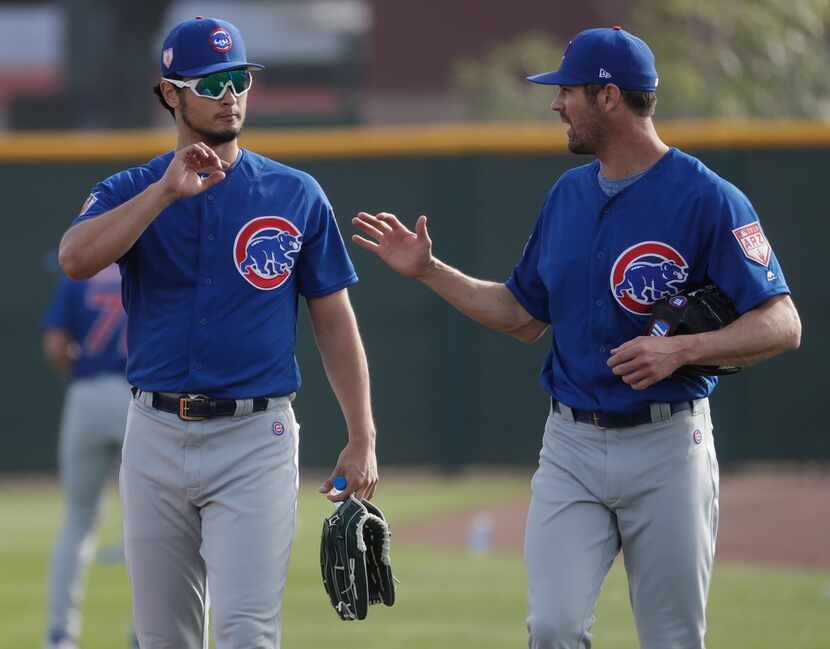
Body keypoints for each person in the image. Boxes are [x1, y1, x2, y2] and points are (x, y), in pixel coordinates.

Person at [352, 26, 801, 649]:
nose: (556, 104)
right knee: (554, 628)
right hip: (572, 447)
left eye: (567, 91)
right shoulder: (567, 195)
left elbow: (783, 323)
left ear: (608, 96)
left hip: (668, 443)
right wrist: (429, 270)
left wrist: (684, 348)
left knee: (673, 637)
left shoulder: (708, 198)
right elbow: (518, 313)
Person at [57, 16, 378, 649]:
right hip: (154, 431)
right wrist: (162, 195)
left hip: (255, 436)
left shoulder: (295, 193)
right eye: (211, 83)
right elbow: (74, 258)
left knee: (245, 631)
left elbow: (335, 322)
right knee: (163, 637)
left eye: (240, 79)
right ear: (170, 94)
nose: (231, 94)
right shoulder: (132, 188)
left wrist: (362, 434)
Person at [42, 264, 134, 649]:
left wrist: (78, 379)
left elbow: (55, 347)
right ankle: (146, 634)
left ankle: (61, 634)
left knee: (78, 521)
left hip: (87, 395)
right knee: (158, 527)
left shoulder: (79, 273)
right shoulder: (149, 263)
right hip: (139, 397)